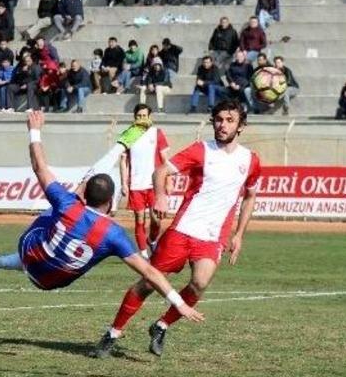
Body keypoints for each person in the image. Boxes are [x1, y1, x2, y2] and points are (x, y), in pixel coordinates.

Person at [0, 110, 203, 328]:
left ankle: (116, 149)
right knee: (58, 233)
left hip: (32, 254)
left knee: (55, 215)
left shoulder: (68, 203)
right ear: (111, 202)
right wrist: (178, 303)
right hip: (52, 280)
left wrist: (35, 132)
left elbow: (40, 167)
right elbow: (150, 271)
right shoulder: (114, 234)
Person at [94, 99, 258, 358]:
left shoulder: (250, 160)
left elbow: (250, 196)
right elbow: (161, 171)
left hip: (213, 237)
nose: (222, 125)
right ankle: (113, 333)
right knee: (148, 283)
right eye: (219, 119)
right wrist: (160, 195)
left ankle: (161, 326)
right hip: (183, 230)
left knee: (200, 283)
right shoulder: (201, 150)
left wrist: (238, 234)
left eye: (229, 120)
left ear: (241, 126)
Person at [119, 104, 170, 257]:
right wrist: (124, 183)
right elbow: (123, 161)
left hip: (154, 185)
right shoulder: (128, 135)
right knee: (139, 219)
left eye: (144, 116)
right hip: (136, 185)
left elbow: (165, 160)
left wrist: (168, 181)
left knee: (157, 220)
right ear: (134, 118)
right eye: (138, 116)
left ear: (150, 117)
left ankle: (152, 241)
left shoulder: (157, 133)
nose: (141, 118)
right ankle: (143, 254)